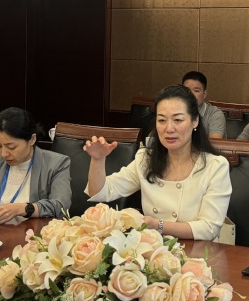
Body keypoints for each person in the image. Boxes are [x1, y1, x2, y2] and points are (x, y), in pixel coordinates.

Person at [84, 84, 231, 240]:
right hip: (153, 249)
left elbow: (209, 228)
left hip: (199, 251)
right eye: (162, 120)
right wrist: (98, 159)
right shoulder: (145, 159)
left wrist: (158, 225)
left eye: (178, 120)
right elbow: (100, 192)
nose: (169, 128)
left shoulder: (215, 166)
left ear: (195, 121)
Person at [181, 71, 226, 139]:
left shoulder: (215, 114)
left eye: (196, 91)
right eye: (187, 90)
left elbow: (215, 143)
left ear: (204, 94)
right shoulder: (174, 111)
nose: (191, 95)